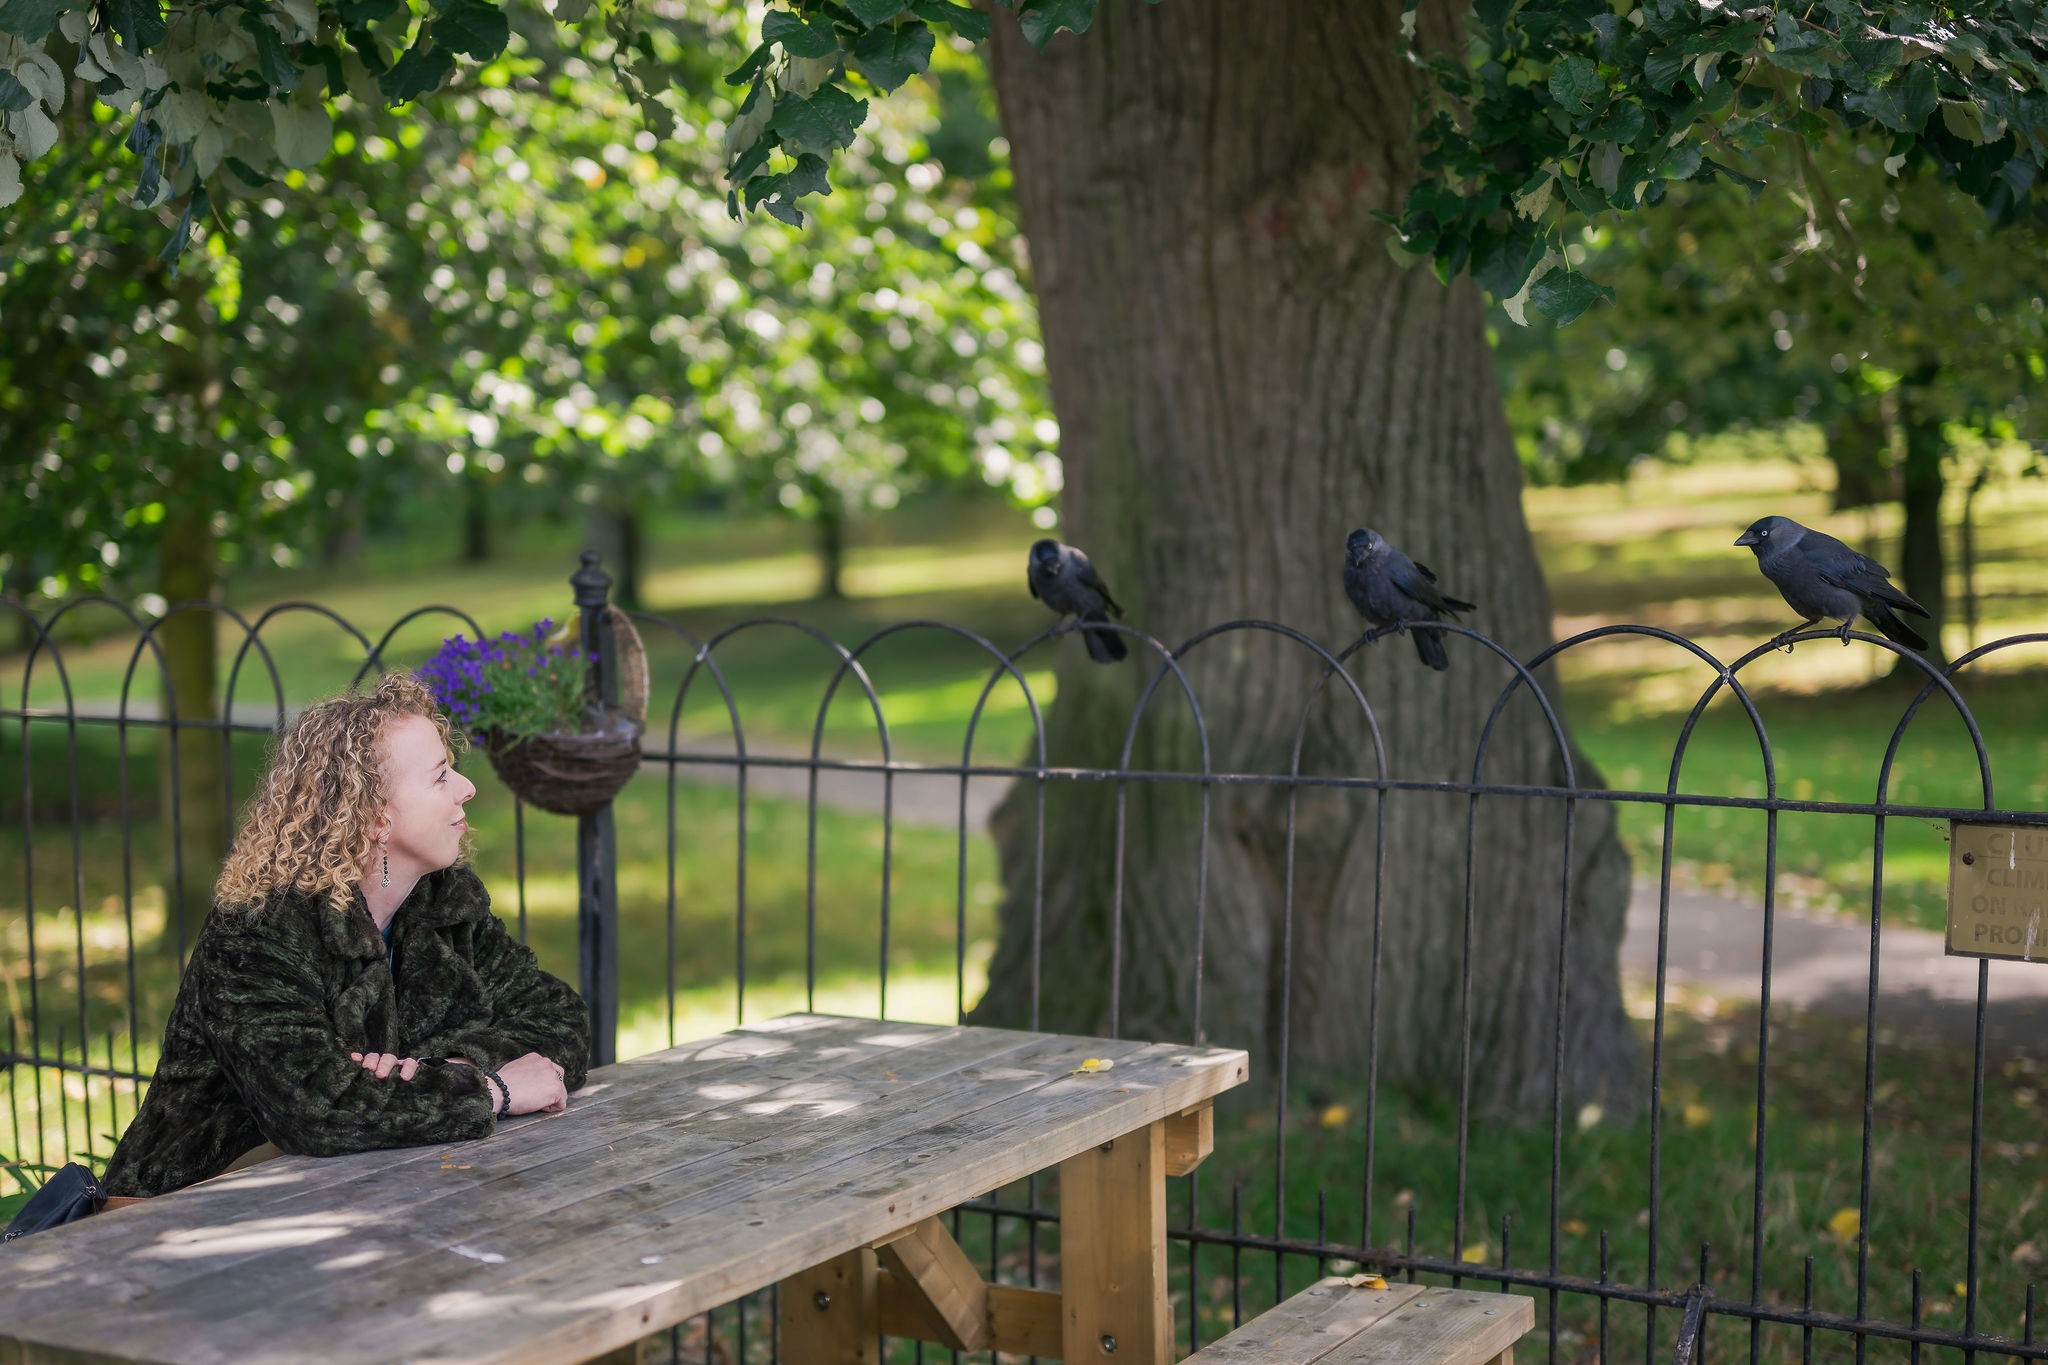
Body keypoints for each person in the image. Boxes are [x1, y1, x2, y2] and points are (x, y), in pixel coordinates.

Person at [101, 672, 590, 1199]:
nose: (467, 788)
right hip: (188, 1211)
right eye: (440, 776)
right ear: (376, 816)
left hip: (365, 1193)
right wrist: (492, 1089)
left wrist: (451, 1065)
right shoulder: (259, 928)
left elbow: (561, 1019)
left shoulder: (443, 900)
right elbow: (315, 1110)